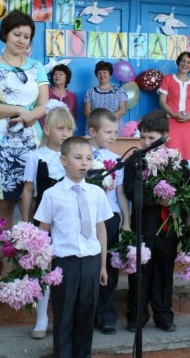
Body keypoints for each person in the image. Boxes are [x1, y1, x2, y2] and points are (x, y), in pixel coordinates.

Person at [0, 10, 49, 243]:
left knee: (33, 204)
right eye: (17, 34)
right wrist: (19, 111)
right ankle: (6, 260)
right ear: (5, 34)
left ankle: (31, 258)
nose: (21, 40)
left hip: (32, 143)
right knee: (3, 208)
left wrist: (29, 116)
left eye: (26, 36)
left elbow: (43, 104)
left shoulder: (37, 66)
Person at [34, 136, 112, 358]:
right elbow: (43, 230)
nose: (84, 163)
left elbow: (101, 229)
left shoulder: (96, 193)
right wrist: (44, 265)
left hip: (91, 261)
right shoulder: (52, 194)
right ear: (64, 160)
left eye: (88, 158)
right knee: (64, 315)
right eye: (78, 158)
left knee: (86, 316)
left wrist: (103, 266)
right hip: (64, 263)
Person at [20, 104, 76, 340]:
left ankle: (66, 319)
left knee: (68, 266)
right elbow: (28, 190)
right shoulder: (35, 156)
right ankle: (41, 318)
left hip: (70, 220)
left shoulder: (74, 156)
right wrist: (25, 224)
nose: (65, 133)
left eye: (69, 129)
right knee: (43, 268)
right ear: (47, 130)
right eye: (60, 128)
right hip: (43, 220)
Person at [123, 109, 178, 332]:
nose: (146, 142)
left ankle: (163, 314)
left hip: (167, 225)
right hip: (143, 223)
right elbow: (130, 190)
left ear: (166, 137)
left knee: (164, 269)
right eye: (143, 137)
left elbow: (183, 190)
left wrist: (174, 202)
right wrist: (157, 199)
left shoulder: (175, 160)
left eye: (152, 138)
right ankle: (137, 315)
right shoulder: (134, 161)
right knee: (140, 270)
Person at [87, 108, 131, 335]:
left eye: (115, 132)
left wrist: (126, 221)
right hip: (86, 218)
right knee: (88, 266)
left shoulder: (116, 160)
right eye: (108, 132)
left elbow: (120, 193)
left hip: (110, 217)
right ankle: (87, 315)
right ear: (92, 132)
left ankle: (106, 315)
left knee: (109, 268)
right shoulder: (82, 156)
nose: (113, 136)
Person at [158, 51, 190, 160]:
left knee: (189, 155)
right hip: (171, 122)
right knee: (171, 155)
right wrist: (173, 114)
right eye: (183, 61)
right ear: (178, 63)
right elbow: (162, 101)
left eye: (189, 62)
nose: (185, 64)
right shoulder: (168, 79)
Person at [83, 60, 128, 134]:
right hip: (96, 128)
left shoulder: (119, 92)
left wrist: (106, 121)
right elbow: (87, 111)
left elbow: (123, 110)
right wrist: (98, 122)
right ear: (96, 76)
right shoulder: (90, 92)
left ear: (110, 75)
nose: (102, 75)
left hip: (114, 128)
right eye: (99, 73)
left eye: (105, 73)